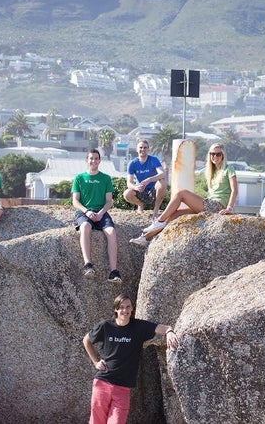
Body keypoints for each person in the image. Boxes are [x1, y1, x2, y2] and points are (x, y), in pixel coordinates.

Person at [82, 294, 179, 424]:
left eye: (128, 307)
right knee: (96, 421)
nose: (125, 310)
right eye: (121, 307)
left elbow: (163, 328)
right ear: (116, 309)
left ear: (132, 308)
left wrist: (169, 332)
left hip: (123, 388)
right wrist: (95, 361)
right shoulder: (105, 326)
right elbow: (86, 340)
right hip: (102, 383)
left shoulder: (138, 327)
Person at [130, 143, 238, 248]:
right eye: (212, 154)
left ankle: (159, 221)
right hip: (209, 203)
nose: (215, 156)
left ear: (223, 155)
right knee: (174, 215)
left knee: (181, 193)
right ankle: (146, 238)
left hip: (217, 206)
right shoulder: (212, 172)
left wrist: (229, 208)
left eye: (218, 154)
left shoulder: (228, 169)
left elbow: (235, 190)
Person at [73, 149, 121, 282]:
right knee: (85, 227)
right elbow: (75, 201)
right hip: (84, 212)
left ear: (99, 161)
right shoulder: (79, 178)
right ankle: (88, 264)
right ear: (86, 160)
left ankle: (114, 272)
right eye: (91, 158)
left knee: (111, 232)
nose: (93, 161)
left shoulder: (106, 178)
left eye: (96, 158)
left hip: (101, 212)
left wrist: (100, 213)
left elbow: (109, 201)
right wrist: (87, 211)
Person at [123, 139, 167, 220]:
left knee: (163, 182)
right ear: (137, 149)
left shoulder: (154, 160)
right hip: (141, 190)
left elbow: (163, 174)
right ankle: (140, 205)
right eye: (140, 147)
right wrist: (136, 187)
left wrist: (149, 180)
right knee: (127, 194)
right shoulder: (132, 163)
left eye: (145, 147)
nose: (142, 149)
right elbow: (129, 183)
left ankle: (156, 211)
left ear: (148, 149)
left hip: (153, 189)